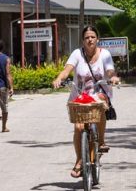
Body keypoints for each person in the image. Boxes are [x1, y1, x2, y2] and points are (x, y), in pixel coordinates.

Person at [51, 26, 120, 179]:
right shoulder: (77, 54)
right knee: (78, 127)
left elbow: (109, 71)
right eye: (87, 37)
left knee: (100, 105)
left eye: (93, 37)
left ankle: (100, 141)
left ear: (97, 39)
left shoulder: (105, 54)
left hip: (99, 93)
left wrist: (113, 77)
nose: (90, 40)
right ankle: (79, 160)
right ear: (83, 40)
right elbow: (67, 70)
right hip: (80, 95)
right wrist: (59, 79)